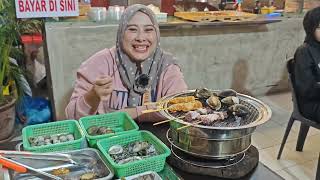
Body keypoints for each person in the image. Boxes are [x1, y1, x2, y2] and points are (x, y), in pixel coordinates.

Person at [65, 4, 187, 121]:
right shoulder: (100, 63)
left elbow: (181, 108)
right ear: (121, 33)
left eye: (148, 30)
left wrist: (134, 112)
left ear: (157, 34)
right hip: (107, 138)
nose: (141, 38)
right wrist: (92, 96)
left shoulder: (167, 66)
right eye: (132, 29)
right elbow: (71, 117)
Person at [293, 7, 320, 123]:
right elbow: (306, 89)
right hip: (311, 104)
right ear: (311, 28)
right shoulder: (304, 52)